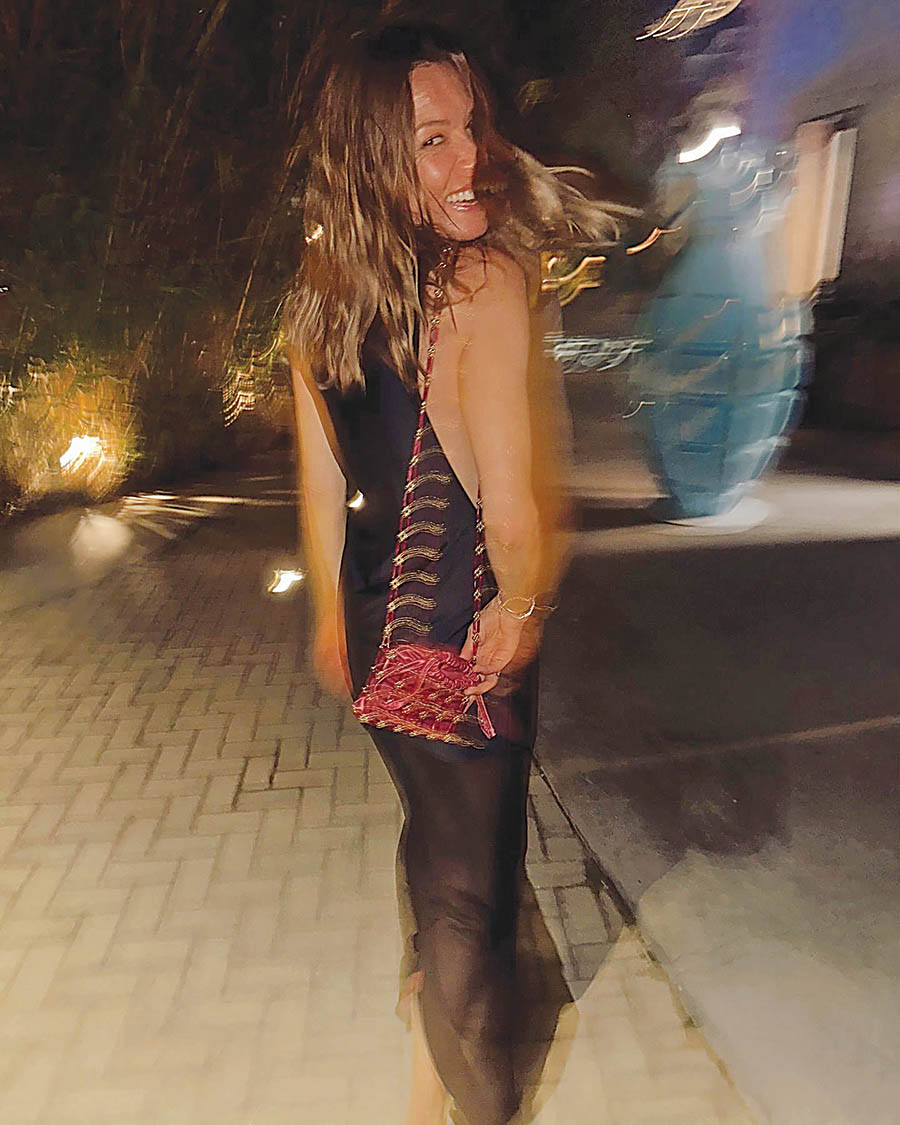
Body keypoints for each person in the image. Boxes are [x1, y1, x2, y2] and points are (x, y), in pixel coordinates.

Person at [283, 23, 623, 1124]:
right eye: (433, 139)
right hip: (466, 639)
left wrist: (332, 622)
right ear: (374, 156)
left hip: (378, 637)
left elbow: (322, 489)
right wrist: (524, 607)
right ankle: (473, 1095)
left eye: (469, 127)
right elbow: (510, 505)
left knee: (437, 842)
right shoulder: (481, 282)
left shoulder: (316, 300)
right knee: (475, 888)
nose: (469, 157)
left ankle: (425, 1076)